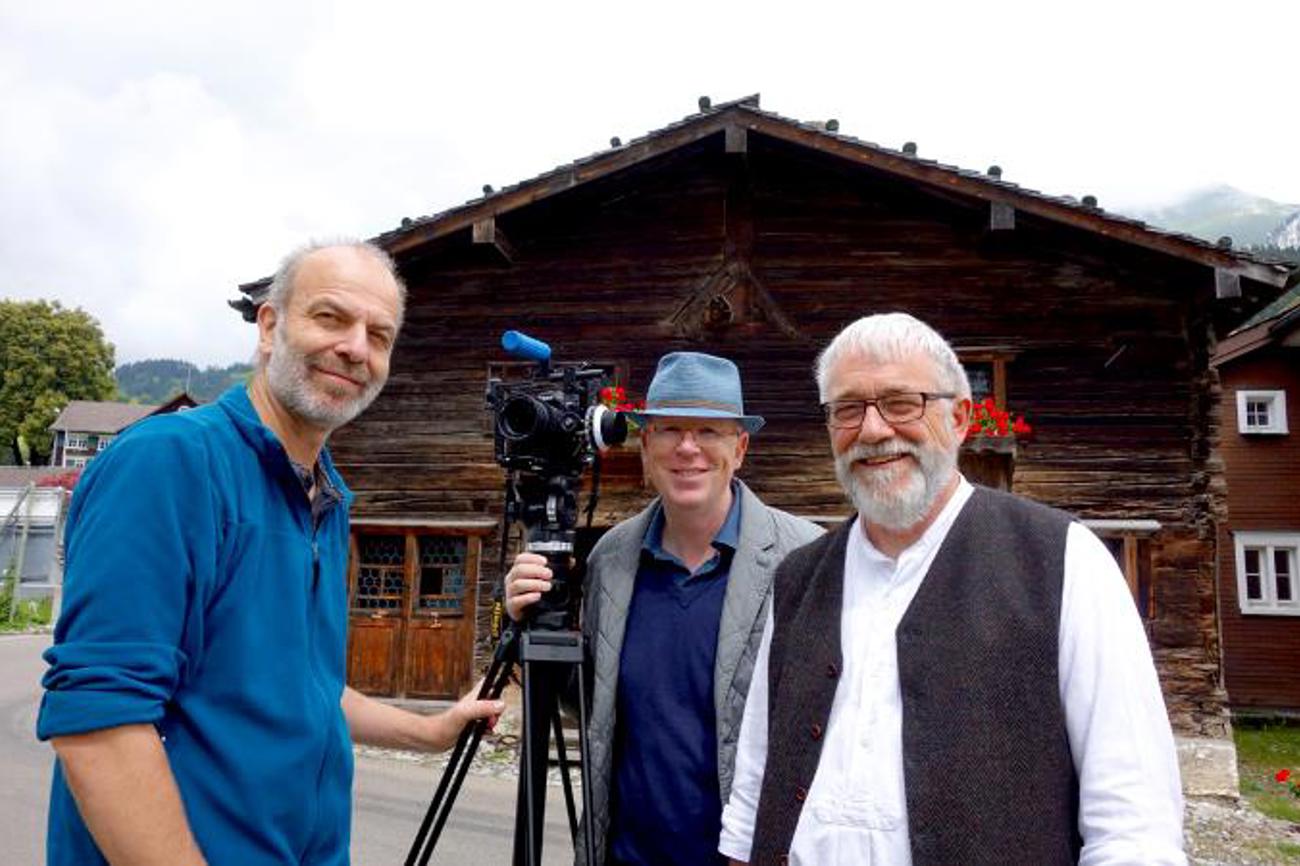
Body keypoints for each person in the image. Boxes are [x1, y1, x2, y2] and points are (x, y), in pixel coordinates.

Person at [37, 240, 504, 866]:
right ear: (268, 326)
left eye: (379, 335)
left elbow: (305, 686)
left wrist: (429, 731)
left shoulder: (326, 498)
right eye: (331, 317)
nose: (356, 348)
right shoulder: (172, 461)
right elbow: (99, 724)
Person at [720, 312, 1187, 866]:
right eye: (848, 409)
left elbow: (1134, 825)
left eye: (901, 403)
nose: (873, 430)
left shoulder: (1065, 561)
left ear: (961, 417)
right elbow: (754, 786)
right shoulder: (799, 578)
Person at [506, 351, 822, 866]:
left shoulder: (803, 558)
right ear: (646, 446)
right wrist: (528, 619)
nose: (688, 448)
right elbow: (592, 702)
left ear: (740, 448)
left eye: (709, 431)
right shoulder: (611, 559)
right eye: (670, 429)